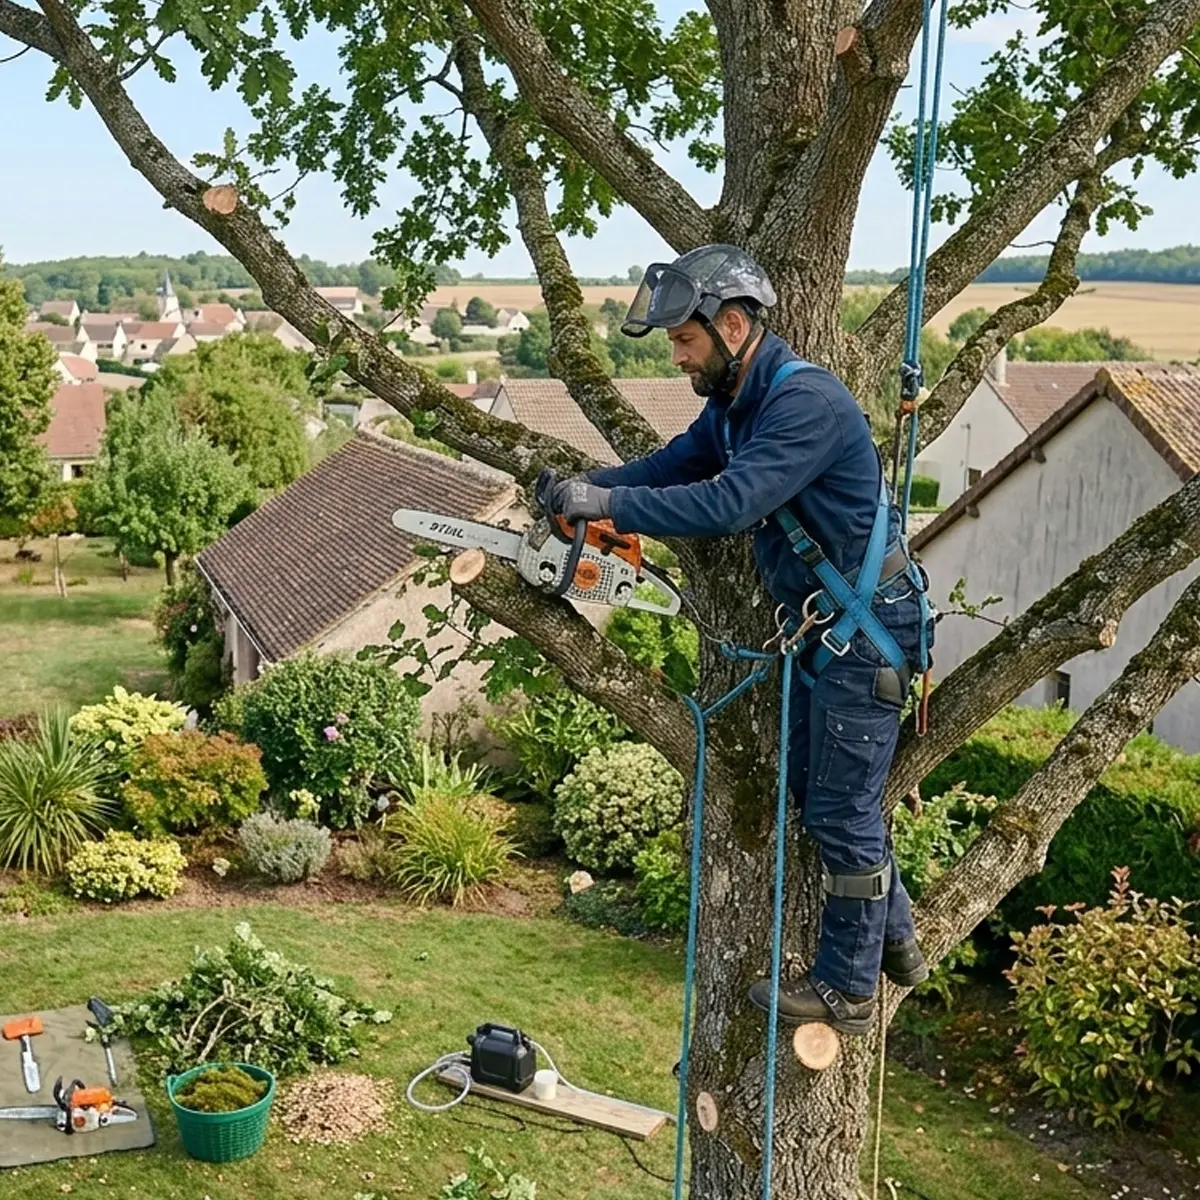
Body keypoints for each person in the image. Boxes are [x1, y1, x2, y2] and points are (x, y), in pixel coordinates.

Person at [537, 244, 934, 1035]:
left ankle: (851, 991)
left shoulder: (804, 405)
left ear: (731, 324)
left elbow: (727, 504)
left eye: (685, 341)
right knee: (817, 794)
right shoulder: (734, 408)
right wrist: (592, 491)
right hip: (830, 636)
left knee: (843, 814)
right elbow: (671, 466)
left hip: (865, 633)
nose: (680, 358)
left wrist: (609, 506)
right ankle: (897, 938)